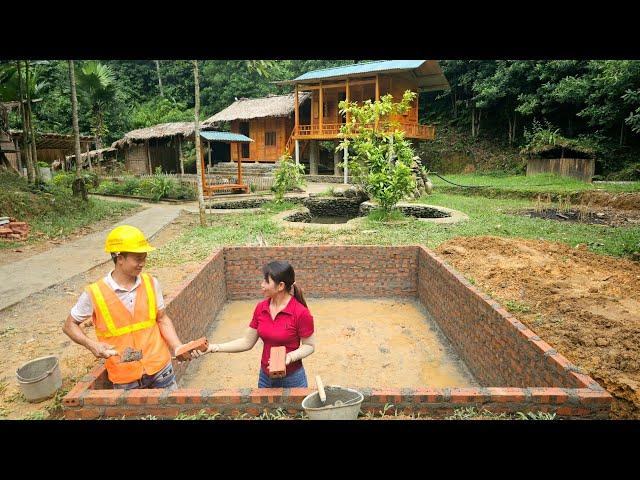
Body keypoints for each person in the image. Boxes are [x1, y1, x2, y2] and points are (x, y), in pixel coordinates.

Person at [62, 225, 199, 391]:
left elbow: (162, 319)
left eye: (144, 257)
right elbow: (69, 325)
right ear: (119, 258)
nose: (142, 263)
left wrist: (178, 346)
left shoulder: (151, 283)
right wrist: (91, 344)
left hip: (161, 369)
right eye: (137, 258)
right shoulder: (95, 293)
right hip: (125, 377)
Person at [195, 260, 315, 388]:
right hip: (266, 378)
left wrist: (289, 357)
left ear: (280, 286)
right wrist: (213, 348)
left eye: (266, 281)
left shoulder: (301, 312)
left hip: (292, 380)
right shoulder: (261, 308)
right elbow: (247, 342)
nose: (262, 285)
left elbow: (309, 346)